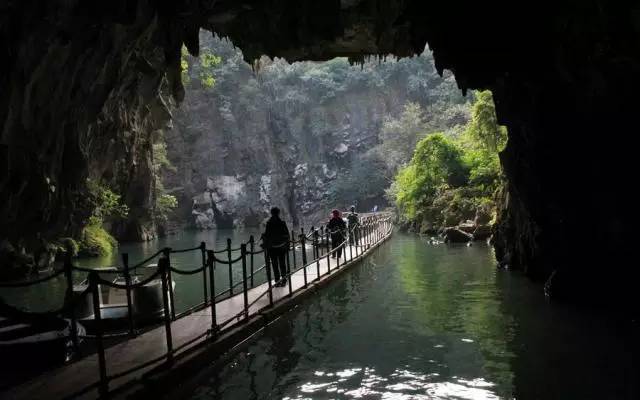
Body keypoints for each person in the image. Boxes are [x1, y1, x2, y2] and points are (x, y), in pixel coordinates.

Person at [262, 207, 290, 287]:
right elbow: (287, 235)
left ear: (271, 213)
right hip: (281, 247)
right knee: (282, 263)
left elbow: (267, 235)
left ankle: (277, 281)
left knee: (274, 264)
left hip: (272, 248)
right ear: (278, 213)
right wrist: (287, 245)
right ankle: (284, 280)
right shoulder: (282, 223)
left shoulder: (269, 223)